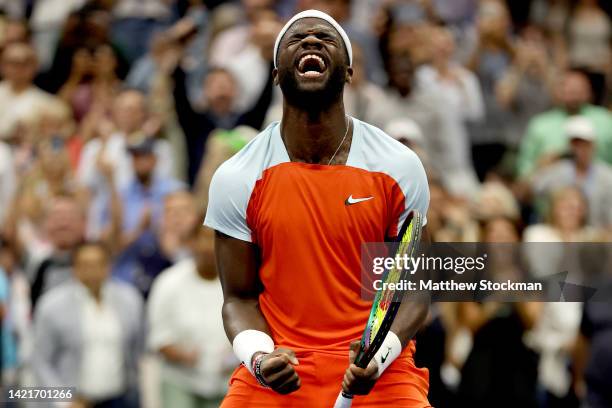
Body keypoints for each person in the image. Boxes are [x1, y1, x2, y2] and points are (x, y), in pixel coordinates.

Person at [204, 10, 430, 407]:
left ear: (348, 70)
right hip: (278, 370)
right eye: (296, 38)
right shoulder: (237, 176)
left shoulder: (398, 166)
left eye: (326, 38)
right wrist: (259, 359)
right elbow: (238, 298)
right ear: (276, 73)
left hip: (379, 370)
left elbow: (412, 290)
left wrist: (377, 357)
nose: (310, 41)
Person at [32, 241, 143, 408]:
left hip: (120, 397)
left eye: (98, 264)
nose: (92, 271)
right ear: (74, 268)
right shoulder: (52, 306)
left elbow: (138, 349)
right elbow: (40, 360)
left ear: (109, 266)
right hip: (76, 400)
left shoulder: (129, 300)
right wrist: (63, 400)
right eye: (85, 265)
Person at [148, 227, 235, 408]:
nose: (209, 246)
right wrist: (182, 355)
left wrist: (234, 357)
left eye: (216, 239)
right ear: (192, 242)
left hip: (227, 381)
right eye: (204, 239)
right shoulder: (168, 282)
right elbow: (158, 337)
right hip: (180, 381)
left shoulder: (239, 280)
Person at [516, 70, 612, 177]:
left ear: (589, 92)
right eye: (567, 88)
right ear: (557, 91)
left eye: (577, 89)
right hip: (550, 186)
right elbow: (524, 168)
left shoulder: (606, 120)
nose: (572, 93)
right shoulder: (541, 124)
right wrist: (540, 167)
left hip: (601, 186)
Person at [531, 116, 612, 227]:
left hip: (595, 235)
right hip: (559, 233)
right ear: (570, 146)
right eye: (576, 144)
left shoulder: (607, 176)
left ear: (593, 145)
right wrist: (542, 165)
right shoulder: (557, 171)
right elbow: (534, 190)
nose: (580, 149)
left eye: (585, 144)